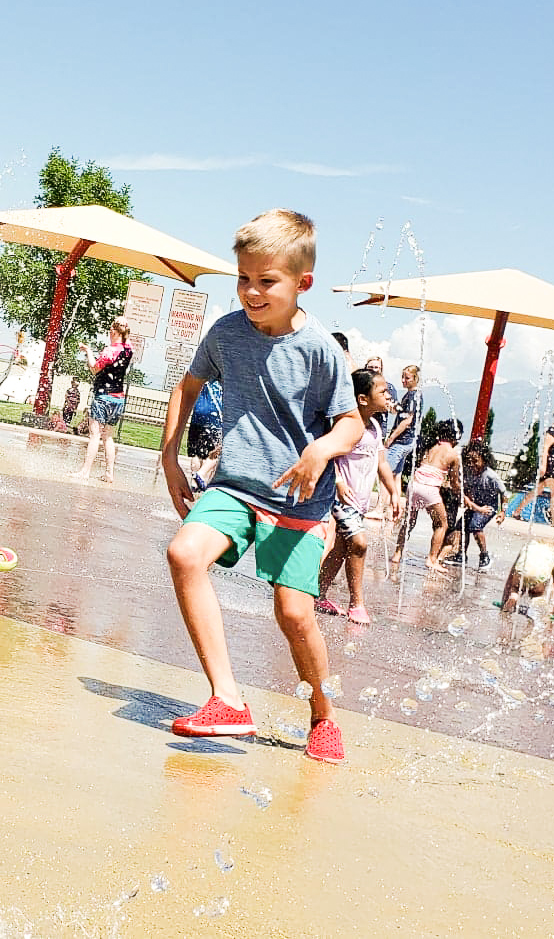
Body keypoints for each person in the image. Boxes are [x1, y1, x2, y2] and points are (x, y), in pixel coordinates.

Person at [158, 208, 361, 764]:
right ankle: (227, 699)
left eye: (266, 281)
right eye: (243, 277)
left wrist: (320, 449)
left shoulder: (319, 349)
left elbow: (351, 423)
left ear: (302, 283)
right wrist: (169, 455)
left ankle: (323, 713)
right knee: (184, 553)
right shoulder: (226, 333)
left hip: (298, 499)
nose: (251, 291)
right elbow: (187, 386)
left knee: (294, 614)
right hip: (236, 486)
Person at [316, 367, 399, 625]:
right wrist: (338, 481)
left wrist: (394, 492)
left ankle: (318, 594)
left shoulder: (374, 427)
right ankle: (357, 604)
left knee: (341, 548)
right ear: (362, 398)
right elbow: (327, 453)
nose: (388, 396)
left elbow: (381, 462)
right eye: (382, 391)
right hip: (341, 498)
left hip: (359, 502)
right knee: (359, 544)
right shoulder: (346, 425)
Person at [394, 419, 463, 573]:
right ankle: (432, 559)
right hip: (429, 489)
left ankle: (397, 554)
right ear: (456, 437)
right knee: (442, 524)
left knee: (409, 522)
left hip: (414, 485)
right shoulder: (453, 455)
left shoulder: (431, 446)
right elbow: (454, 482)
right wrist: (461, 494)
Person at [73, 318, 134, 482]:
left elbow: (94, 369)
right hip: (118, 399)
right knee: (108, 436)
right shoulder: (128, 350)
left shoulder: (109, 351)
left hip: (103, 397)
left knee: (95, 435)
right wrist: (123, 324)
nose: (108, 332)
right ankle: (109, 473)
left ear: (114, 332)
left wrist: (88, 351)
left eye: (110, 329)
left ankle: (85, 472)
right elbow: (126, 338)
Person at [444, 447, 507, 569]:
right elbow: (465, 488)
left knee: (475, 526)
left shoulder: (491, 476)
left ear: (484, 460)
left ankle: (484, 556)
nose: (472, 464)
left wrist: (503, 512)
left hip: (489, 506)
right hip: (476, 505)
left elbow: (504, 494)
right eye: (469, 461)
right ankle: (461, 555)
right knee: (461, 525)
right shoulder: (469, 474)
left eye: (475, 461)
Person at [499, 534, 554, 622]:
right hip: (538, 577)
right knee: (537, 595)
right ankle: (533, 612)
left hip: (521, 573)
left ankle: (512, 600)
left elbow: (511, 576)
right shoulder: (553, 555)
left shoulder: (527, 548)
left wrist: (504, 599)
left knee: (515, 591)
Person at [184, 377, 225, 489]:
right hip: (214, 417)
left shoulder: (203, 375)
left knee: (197, 453)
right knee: (217, 452)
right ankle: (201, 475)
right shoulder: (224, 380)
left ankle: (194, 483)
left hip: (198, 415)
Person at [384, 364, 422, 480]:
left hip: (401, 441)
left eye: (407, 378)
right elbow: (402, 412)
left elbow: (407, 421)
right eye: (402, 377)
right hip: (408, 440)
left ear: (415, 379)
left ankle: (385, 493)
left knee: (385, 475)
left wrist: (391, 439)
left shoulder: (412, 396)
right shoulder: (412, 395)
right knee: (396, 475)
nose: (403, 380)